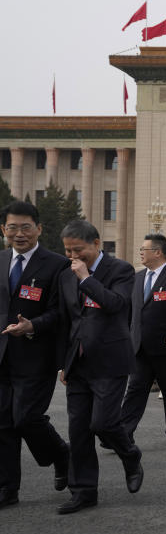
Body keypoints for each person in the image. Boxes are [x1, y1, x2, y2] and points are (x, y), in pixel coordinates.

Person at [57, 220, 143, 514]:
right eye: (68, 251)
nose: (73, 257)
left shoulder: (120, 270)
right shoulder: (65, 274)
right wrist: (63, 363)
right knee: (78, 430)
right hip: (78, 363)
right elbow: (67, 321)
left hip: (109, 361)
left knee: (102, 424)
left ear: (96, 244)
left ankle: (130, 455)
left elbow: (116, 304)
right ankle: (83, 491)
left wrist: (86, 278)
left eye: (78, 250)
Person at [0, 201, 71, 510]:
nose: (19, 234)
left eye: (26, 227)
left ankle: (60, 454)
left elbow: (61, 312)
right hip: (1, 356)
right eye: (12, 227)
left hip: (36, 355)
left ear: (39, 229)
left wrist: (33, 326)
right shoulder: (0, 260)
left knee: (27, 419)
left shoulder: (56, 265)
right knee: (2, 424)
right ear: (3, 230)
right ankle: (7, 489)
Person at [119, 234, 166, 447]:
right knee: (134, 390)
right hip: (140, 347)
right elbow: (131, 311)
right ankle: (123, 433)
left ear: (158, 252)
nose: (140, 252)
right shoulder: (138, 277)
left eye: (144, 249)